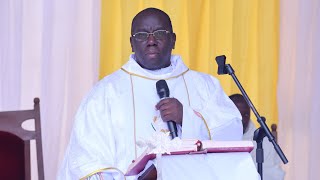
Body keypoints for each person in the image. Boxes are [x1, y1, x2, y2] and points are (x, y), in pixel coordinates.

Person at [58, 8, 243, 180]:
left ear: (173, 39)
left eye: (160, 33)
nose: (151, 41)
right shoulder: (104, 94)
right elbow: (86, 160)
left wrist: (187, 117)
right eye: (141, 35)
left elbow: (233, 132)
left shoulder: (204, 86)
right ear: (131, 43)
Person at [229, 93, 285, 180]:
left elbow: (274, 173)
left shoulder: (263, 141)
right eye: (237, 114)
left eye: (246, 115)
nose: (242, 120)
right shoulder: (213, 138)